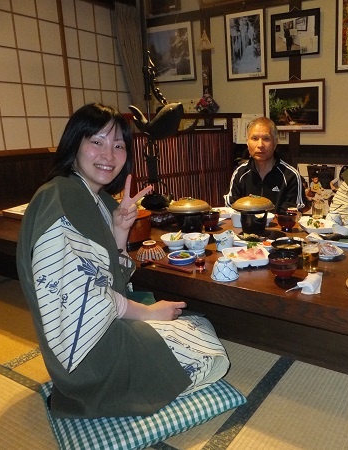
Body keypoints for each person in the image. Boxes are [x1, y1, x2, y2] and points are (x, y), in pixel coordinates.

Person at [17, 103, 229, 419]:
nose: (109, 155)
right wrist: (147, 313)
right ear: (74, 144)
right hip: (90, 352)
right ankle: (101, 391)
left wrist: (119, 228)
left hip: (96, 329)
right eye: (97, 142)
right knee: (211, 353)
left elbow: (108, 276)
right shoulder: (60, 197)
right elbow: (86, 298)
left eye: (118, 145)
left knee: (197, 325)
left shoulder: (94, 197)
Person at [224, 117, 305, 213]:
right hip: (245, 223)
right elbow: (231, 208)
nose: (260, 145)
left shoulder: (291, 176)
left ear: (275, 142)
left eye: (266, 139)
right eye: (254, 138)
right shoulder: (240, 173)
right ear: (247, 142)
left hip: (278, 223)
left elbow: (292, 214)